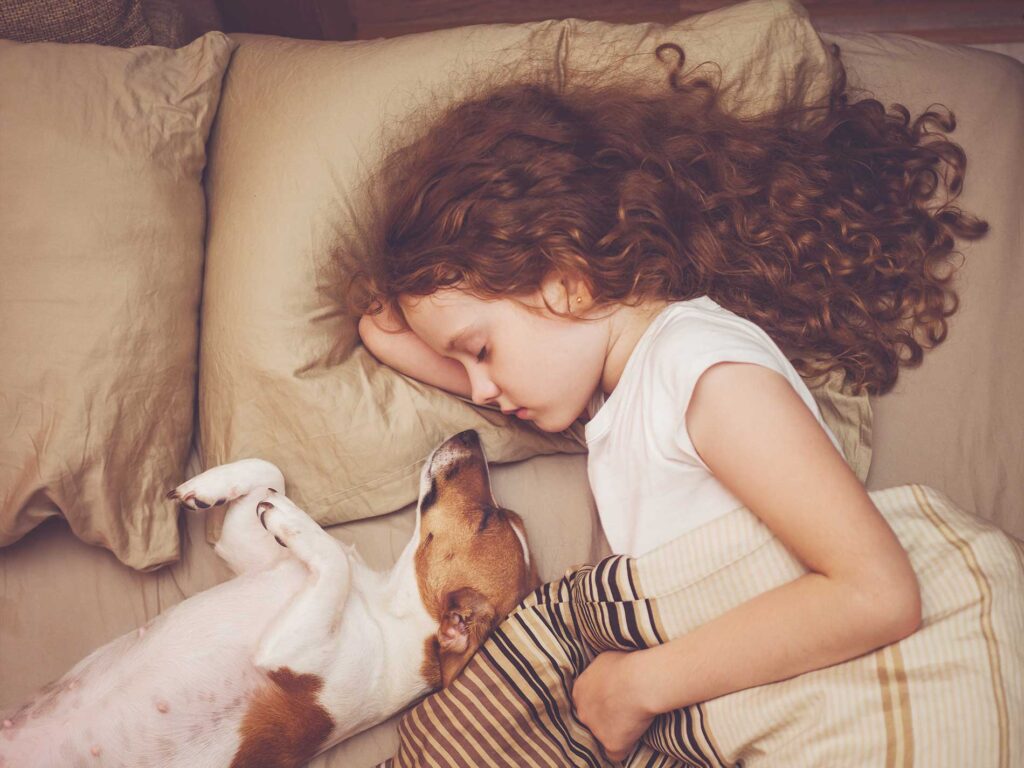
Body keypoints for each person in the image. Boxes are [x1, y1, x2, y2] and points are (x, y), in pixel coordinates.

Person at [348, 42, 989, 762]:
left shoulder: (701, 373)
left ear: (568, 279)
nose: (482, 391)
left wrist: (640, 685)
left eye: (481, 352)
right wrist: (407, 329)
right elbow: (420, 335)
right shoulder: (624, 400)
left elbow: (878, 592)